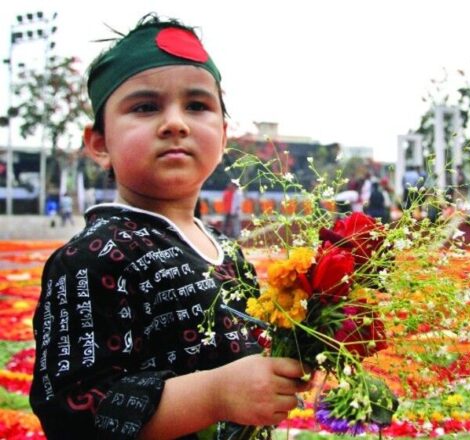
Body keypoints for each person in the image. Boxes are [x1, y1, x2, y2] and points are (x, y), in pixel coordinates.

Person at [30, 15, 309, 439]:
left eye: (197, 106)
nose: (175, 123)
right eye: (145, 107)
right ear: (100, 144)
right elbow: (72, 413)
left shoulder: (227, 250)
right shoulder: (88, 258)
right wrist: (215, 395)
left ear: (222, 135)